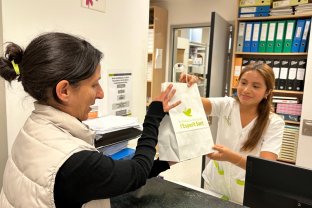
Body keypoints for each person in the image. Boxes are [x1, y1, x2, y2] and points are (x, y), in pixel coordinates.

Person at [0, 32, 181, 208]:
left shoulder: (33, 128)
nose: (101, 94)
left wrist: (164, 163)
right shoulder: (74, 161)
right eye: (94, 84)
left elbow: (103, 176)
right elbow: (137, 172)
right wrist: (153, 115)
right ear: (64, 91)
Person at [180, 62, 284, 204]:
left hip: (245, 190)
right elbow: (194, 103)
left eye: (255, 86)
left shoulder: (274, 122)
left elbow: (265, 168)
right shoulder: (227, 105)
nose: (246, 90)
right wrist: (188, 88)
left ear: (267, 92)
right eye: (243, 83)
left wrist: (232, 158)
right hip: (215, 183)